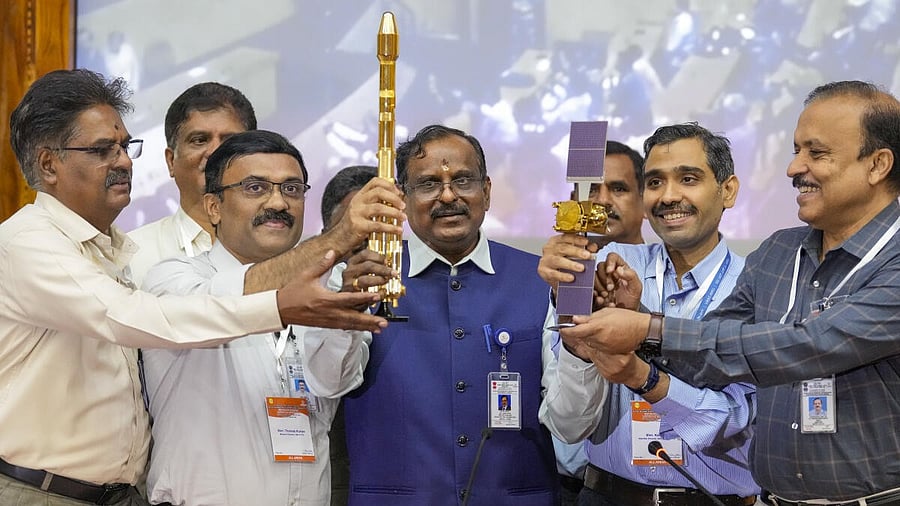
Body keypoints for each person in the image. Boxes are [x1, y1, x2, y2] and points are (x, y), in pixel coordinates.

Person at [0, 69, 396, 505]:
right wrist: (286, 299)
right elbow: (134, 318)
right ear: (48, 164)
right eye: (101, 150)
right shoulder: (30, 243)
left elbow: (331, 383)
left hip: (114, 494)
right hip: (42, 491)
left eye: (125, 146)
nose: (124, 162)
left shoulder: (112, 250)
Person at [561, 81, 900, 503]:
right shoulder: (779, 251)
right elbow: (711, 356)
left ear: (878, 164)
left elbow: (808, 346)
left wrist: (646, 329)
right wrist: (641, 315)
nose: (794, 168)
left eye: (816, 153)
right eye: (796, 150)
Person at [142, 130, 374, 506]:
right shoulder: (173, 280)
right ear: (213, 207)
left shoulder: (328, 284)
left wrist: (346, 311)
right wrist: (337, 239)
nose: (278, 203)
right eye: (255, 188)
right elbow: (227, 304)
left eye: (292, 189)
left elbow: (333, 383)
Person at [539, 123, 759, 506]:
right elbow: (567, 425)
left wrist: (641, 348)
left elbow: (735, 420)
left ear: (728, 190)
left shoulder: (758, 285)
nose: (669, 196)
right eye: (655, 182)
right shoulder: (605, 270)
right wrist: (579, 342)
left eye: (688, 179)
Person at [341, 124, 560, 505]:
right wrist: (346, 308)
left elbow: (569, 415)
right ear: (402, 199)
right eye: (427, 185)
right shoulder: (365, 278)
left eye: (463, 180)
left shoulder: (541, 279)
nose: (448, 196)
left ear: (487, 191)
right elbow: (330, 383)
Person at [551, 140, 647, 506]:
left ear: (644, 199)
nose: (603, 201)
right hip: (564, 483)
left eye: (619, 189)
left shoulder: (662, 277)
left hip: (638, 481)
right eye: (591, 191)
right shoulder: (558, 280)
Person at [129, 82, 256, 286]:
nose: (216, 152)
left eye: (230, 141)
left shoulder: (287, 252)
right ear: (171, 161)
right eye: (199, 140)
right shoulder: (133, 255)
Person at [318, 164, 378, 506]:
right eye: (354, 228)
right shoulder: (308, 291)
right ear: (329, 230)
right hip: (336, 477)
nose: (368, 241)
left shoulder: (417, 286)